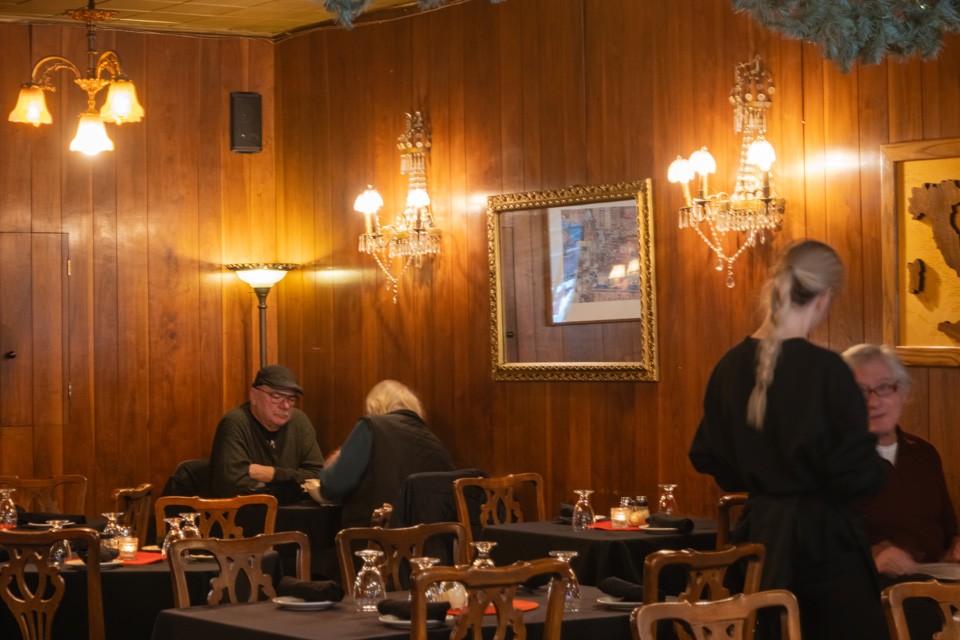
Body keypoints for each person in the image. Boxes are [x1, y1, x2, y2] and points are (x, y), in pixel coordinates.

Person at [688, 240, 888, 639]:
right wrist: (881, 460)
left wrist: (765, 479)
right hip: (827, 551)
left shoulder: (729, 366)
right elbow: (855, 474)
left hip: (760, 547)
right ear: (824, 297)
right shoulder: (827, 371)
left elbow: (706, 454)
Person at [841, 343, 960, 577]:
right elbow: (817, 547)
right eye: (860, 391)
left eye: (884, 387)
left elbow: (949, 531)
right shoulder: (832, 460)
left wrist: (956, 546)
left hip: (939, 585)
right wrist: (872, 555)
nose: (873, 402)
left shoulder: (924, 453)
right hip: (875, 590)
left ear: (904, 394)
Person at [318, 380, 455, 529]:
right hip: (426, 545)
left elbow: (331, 486)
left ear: (376, 404)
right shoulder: (433, 440)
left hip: (373, 542)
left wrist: (333, 463)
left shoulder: (372, 426)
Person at [209, 365, 324, 503]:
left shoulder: (299, 421)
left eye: (291, 399)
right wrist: (290, 485)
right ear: (254, 396)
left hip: (291, 514)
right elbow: (233, 484)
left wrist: (271, 474)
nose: (286, 406)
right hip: (242, 516)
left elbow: (318, 476)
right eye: (276, 396)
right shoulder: (235, 422)